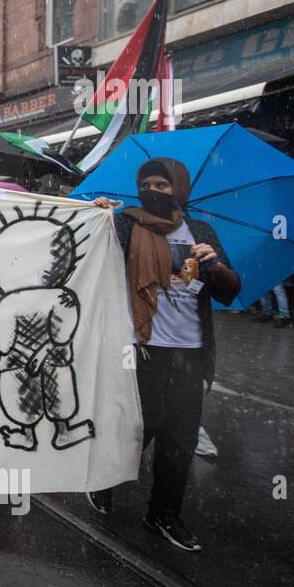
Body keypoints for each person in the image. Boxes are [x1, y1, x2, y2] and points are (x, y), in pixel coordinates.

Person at [88, 158, 241, 551]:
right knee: (136, 430)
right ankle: (106, 481)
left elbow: (228, 290)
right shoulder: (126, 224)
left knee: (180, 441)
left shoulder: (202, 231)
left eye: (162, 185)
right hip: (141, 349)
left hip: (190, 353)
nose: (153, 191)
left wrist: (216, 264)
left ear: (180, 189)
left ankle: (163, 514)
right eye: (147, 184)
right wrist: (98, 217)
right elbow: (93, 257)